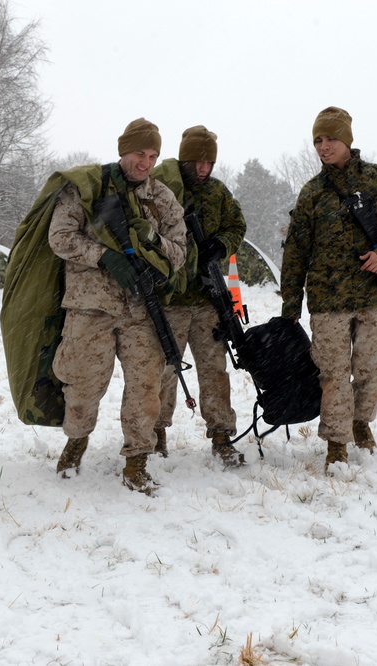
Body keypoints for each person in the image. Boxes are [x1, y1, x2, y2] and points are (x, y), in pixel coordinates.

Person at [50, 118, 187, 494]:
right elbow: (60, 237)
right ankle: (76, 441)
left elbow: (180, 253)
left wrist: (154, 241)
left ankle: (136, 461)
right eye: (140, 153)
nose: (146, 162)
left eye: (154, 155)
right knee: (83, 385)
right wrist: (104, 257)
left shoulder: (162, 198)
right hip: (90, 305)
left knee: (146, 386)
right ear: (123, 150)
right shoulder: (88, 188)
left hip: (143, 309)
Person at [280, 107, 377, 471]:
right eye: (317, 141)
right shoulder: (312, 192)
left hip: (375, 294)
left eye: (330, 139)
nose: (323, 147)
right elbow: (296, 250)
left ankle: (361, 420)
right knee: (332, 375)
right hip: (328, 300)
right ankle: (337, 442)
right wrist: (290, 305)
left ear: (347, 140)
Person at [151, 126, 247, 467]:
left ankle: (222, 436)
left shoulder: (218, 193)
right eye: (197, 162)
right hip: (170, 300)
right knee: (162, 371)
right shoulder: (163, 189)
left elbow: (237, 226)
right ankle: (155, 433)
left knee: (214, 370)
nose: (204, 169)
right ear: (184, 159)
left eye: (209, 162)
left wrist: (220, 245)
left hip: (208, 300)